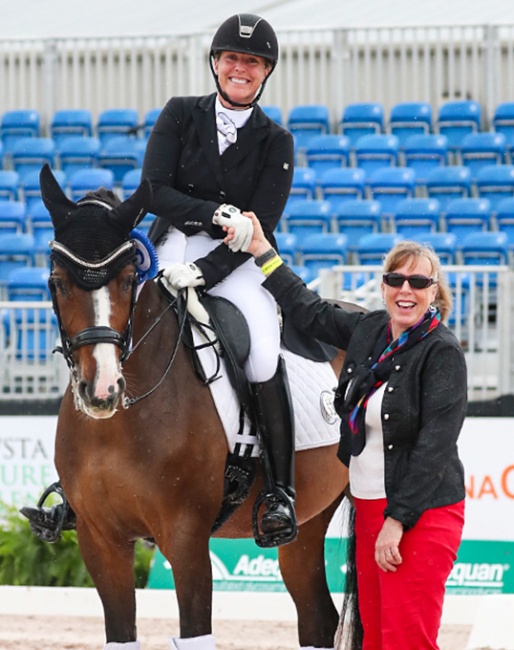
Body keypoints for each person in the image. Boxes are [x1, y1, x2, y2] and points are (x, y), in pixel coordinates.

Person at [23, 14, 297, 547]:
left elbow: (263, 223)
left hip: (238, 260)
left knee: (263, 350)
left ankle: (280, 492)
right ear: (216, 64)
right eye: (232, 59)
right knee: (117, 329)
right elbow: (154, 190)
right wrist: (218, 214)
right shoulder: (180, 114)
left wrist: (212, 265)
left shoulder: (276, 141)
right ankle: (81, 483)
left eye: (253, 62)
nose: (241, 68)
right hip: (170, 244)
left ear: (266, 72)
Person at [224, 213, 467, 650]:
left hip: (419, 516)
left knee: (406, 640)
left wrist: (398, 521)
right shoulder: (371, 330)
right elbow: (306, 308)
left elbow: (435, 446)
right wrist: (261, 250)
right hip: (373, 512)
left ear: (434, 292)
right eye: (396, 280)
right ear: (383, 287)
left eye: (417, 282)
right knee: (372, 638)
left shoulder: (442, 352)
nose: (405, 290)